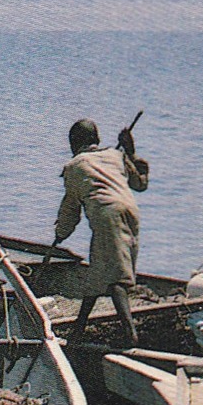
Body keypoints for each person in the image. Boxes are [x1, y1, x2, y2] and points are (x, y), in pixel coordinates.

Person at [53, 117, 149, 346]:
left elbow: (70, 209)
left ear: (74, 144)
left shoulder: (74, 167)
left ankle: (130, 336)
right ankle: (79, 328)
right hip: (130, 213)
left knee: (116, 277)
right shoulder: (115, 156)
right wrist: (130, 152)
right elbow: (140, 183)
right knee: (98, 272)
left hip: (108, 216)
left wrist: (60, 234)